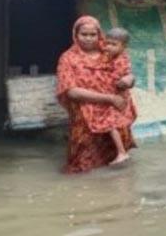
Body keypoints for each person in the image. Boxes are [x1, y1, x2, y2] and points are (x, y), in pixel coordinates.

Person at [55, 16, 136, 173]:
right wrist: (109, 99)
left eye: (93, 34)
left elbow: (127, 71)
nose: (88, 39)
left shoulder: (109, 50)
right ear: (75, 35)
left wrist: (129, 80)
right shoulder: (68, 59)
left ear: (100, 34)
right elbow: (71, 91)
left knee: (117, 164)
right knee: (82, 164)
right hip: (85, 115)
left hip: (115, 110)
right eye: (83, 34)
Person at [85, 27, 137, 165]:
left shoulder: (121, 60)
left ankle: (121, 152)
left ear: (123, 46)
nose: (108, 47)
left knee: (111, 123)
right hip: (112, 95)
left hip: (117, 96)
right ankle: (122, 151)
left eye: (113, 44)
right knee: (113, 123)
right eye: (107, 43)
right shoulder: (112, 55)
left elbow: (116, 79)